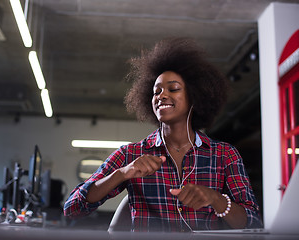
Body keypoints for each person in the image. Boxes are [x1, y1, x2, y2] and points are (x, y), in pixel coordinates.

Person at [63, 38, 263, 232]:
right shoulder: (130, 155)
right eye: (156, 91)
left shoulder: (224, 155)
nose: (161, 96)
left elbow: (252, 222)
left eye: (173, 89)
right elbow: (72, 208)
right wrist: (122, 174)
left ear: (196, 95)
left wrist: (216, 199)